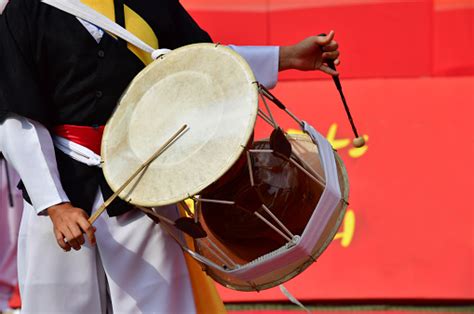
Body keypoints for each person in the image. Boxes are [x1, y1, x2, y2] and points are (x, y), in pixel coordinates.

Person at [0, 0, 341, 313]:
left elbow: (208, 63)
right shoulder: (25, 11)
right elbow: (16, 117)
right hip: (57, 186)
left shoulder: (150, 3)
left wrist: (288, 56)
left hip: (146, 183)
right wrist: (54, 204)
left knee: (159, 305)